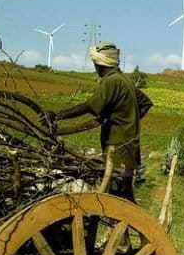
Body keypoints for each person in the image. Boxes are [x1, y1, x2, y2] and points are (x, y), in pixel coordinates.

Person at [47, 42, 153, 202]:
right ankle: (132, 226)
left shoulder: (111, 81)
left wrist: (59, 115)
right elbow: (144, 103)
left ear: (100, 64)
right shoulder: (124, 80)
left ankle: (136, 226)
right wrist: (125, 119)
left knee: (118, 195)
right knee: (125, 192)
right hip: (129, 146)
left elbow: (91, 106)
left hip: (118, 148)